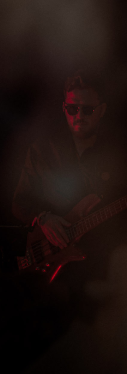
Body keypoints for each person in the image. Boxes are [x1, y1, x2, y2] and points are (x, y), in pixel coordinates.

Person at [12, 70, 127, 284]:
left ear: (101, 110)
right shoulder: (41, 151)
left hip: (104, 268)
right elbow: (20, 203)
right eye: (72, 109)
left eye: (88, 109)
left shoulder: (118, 154)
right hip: (51, 267)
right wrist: (44, 217)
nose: (79, 116)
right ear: (64, 108)